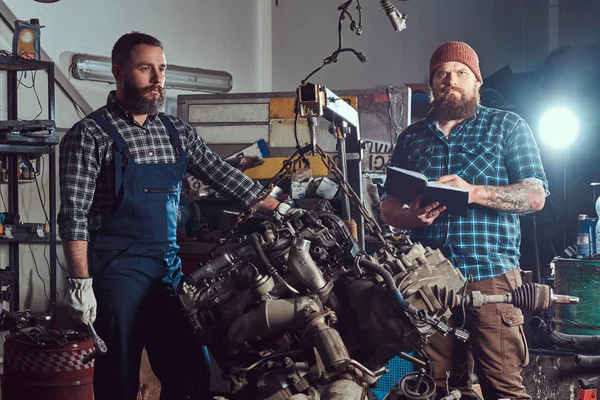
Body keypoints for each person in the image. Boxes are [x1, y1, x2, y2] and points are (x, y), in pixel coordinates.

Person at [58, 32, 287, 400]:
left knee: (191, 372)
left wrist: (282, 210)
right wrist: (79, 284)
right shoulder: (90, 135)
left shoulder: (176, 131)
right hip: (119, 273)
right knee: (118, 378)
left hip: (167, 269)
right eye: (145, 68)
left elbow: (223, 176)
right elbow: (73, 216)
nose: (157, 79)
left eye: (161, 69)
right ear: (118, 72)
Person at [380, 41, 548, 400]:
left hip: (492, 278)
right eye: (441, 74)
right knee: (431, 388)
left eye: (460, 72)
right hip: (429, 285)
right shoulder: (412, 138)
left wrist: (474, 192)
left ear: (477, 81)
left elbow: (535, 196)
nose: (450, 80)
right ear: (431, 84)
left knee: (503, 388)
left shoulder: (506, 126)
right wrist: (410, 216)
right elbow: (387, 207)